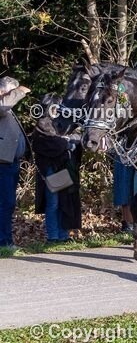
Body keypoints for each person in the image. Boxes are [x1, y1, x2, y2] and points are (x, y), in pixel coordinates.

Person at [31, 94, 82, 244]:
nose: (58, 110)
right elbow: (53, 144)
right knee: (53, 202)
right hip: (50, 168)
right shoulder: (43, 124)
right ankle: (53, 236)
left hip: (62, 168)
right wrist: (67, 142)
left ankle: (63, 235)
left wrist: (68, 140)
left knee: (63, 202)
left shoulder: (61, 123)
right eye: (55, 107)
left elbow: (77, 136)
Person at [0, 77, 29, 250]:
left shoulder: (7, 109)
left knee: (8, 203)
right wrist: (18, 92)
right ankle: (4, 242)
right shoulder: (3, 105)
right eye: (11, 91)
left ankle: (5, 240)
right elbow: (2, 106)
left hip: (11, 162)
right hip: (3, 163)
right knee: (5, 203)